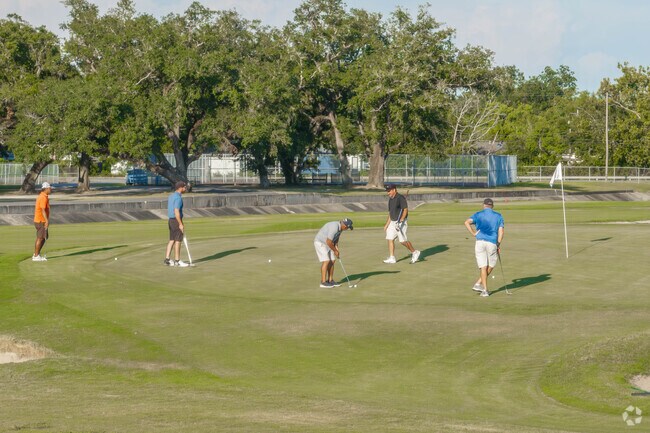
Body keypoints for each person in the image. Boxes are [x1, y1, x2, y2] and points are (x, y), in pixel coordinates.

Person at [464, 198, 505, 297]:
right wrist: (498, 244)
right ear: (492, 206)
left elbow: (466, 222)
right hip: (491, 242)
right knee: (491, 265)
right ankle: (483, 288)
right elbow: (501, 232)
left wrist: (474, 233)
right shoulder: (498, 216)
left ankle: (479, 285)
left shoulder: (478, 214)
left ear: (484, 205)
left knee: (483, 266)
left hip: (479, 242)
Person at [383, 184, 420, 264]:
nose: (388, 193)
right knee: (390, 239)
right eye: (387, 191)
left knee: (402, 241)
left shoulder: (400, 198)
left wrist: (401, 219)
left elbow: (405, 210)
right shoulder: (391, 199)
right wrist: (387, 224)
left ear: (394, 190)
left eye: (389, 191)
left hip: (401, 223)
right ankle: (392, 257)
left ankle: (415, 252)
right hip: (392, 222)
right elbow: (390, 213)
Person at [314, 218, 353, 288]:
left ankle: (330, 280)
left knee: (332, 260)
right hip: (320, 242)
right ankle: (323, 282)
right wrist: (335, 250)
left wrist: (337, 249)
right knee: (326, 261)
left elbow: (336, 239)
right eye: (347, 227)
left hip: (328, 243)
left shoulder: (340, 228)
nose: (347, 229)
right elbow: (328, 241)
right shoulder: (334, 227)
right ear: (345, 225)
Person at [164, 181, 190, 267]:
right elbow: (176, 211)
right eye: (184, 187)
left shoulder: (171, 196)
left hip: (171, 220)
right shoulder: (178, 198)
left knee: (172, 240)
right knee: (178, 240)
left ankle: (167, 259)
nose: (185, 188)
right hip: (176, 220)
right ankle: (177, 260)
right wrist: (180, 224)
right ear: (180, 188)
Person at [32, 181, 52, 262]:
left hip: (41, 220)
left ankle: (36, 254)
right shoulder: (43, 197)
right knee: (40, 238)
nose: (51, 190)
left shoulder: (44, 196)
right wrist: (46, 221)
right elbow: (43, 209)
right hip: (41, 220)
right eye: (50, 188)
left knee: (44, 237)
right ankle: (36, 256)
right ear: (46, 189)